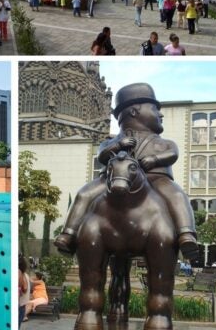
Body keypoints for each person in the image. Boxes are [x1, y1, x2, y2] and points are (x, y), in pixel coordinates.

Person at [54, 83, 199, 259]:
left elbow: (173, 153)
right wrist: (118, 145)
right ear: (133, 112)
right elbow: (102, 156)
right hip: (114, 180)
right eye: (154, 109)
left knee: (177, 195)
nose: (160, 114)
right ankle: (69, 234)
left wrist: (154, 160)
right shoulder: (112, 140)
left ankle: (186, 234)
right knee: (84, 194)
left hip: (156, 179)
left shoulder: (162, 142)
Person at [18, 256, 30, 327]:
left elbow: (24, 288)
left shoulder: (21, 275)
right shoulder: (25, 275)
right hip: (22, 305)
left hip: (19, 305)